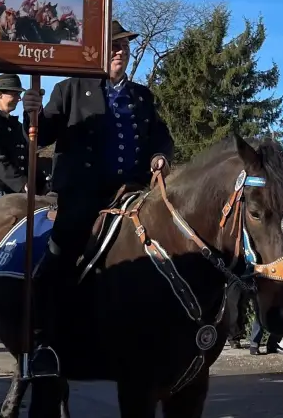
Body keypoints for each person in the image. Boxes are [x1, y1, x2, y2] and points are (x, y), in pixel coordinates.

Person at [23, 19, 175, 379]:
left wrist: (160, 156)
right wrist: (32, 112)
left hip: (133, 191)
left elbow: (160, 135)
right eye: (113, 46)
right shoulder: (70, 88)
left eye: (124, 45)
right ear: (97, 52)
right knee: (64, 247)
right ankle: (44, 339)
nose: (120, 51)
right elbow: (43, 132)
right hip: (84, 192)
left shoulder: (142, 96)